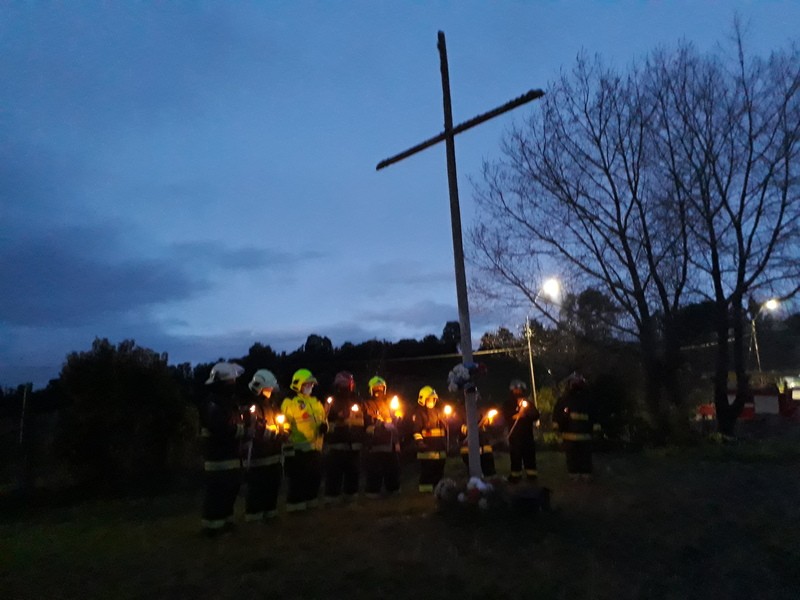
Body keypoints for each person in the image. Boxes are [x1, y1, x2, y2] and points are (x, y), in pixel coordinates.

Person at [198, 361, 246, 536]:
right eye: (231, 381)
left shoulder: (226, 403)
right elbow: (220, 429)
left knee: (229, 491)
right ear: (221, 383)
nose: (233, 384)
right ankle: (212, 528)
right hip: (217, 459)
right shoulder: (212, 404)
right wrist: (241, 430)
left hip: (230, 457)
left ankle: (225, 523)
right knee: (217, 494)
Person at [244, 369, 287, 521]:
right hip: (259, 457)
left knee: (272, 488)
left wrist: (285, 432)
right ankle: (254, 517)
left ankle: (270, 514)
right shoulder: (254, 408)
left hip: (274, 456)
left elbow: (281, 423)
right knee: (257, 489)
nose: (271, 390)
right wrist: (276, 435)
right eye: (269, 387)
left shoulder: (272, 406)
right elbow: (255, 430)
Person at [280, 368, 326, 511]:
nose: (310, 387)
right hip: (298, 449)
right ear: (298, 385)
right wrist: (286, 437)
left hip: (316, 448)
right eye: (307, 384)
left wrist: (325, 427)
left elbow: (323, 419)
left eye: (311, 384)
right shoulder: (290, 402)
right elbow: (285, 423)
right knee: (298, 480)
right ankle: (296, 508)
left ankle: (311, 505)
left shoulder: (316, 402)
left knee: (314, 478)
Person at [323, 371, 365, 503]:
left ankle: (349, 498)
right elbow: (324, 419)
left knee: (352, 473)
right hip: (337, 443)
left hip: (353, 444)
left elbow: (363, 420)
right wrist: (337, 417)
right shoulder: (331, 401)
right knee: (334, 474)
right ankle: (332, 499)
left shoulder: (357, 401)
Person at [362, 376, 401, 497]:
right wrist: (380, 422)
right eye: (376, 388)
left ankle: (393, 490)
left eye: (381, 388)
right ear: (371, 390)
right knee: (374, 469)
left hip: (389, 444)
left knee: (392, 468)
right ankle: (373, 492)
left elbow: (394, 424)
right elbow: (367, 420)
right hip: (374, 443)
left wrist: (396, 419)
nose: (378, 391)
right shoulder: (366, 404)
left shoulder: (387, 404)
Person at [553, 372, 596, 481]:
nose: (575, 384)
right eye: (574, 382)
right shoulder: (565, 400)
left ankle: (584, 473)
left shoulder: (587, 399)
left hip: (583, 434)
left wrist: (595, 428)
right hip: (572, 435)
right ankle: (575, 474)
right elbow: (557, 415)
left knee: (583, 456)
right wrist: (557, 427)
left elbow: (594, 414)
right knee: (573, 456)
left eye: (577, 382)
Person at [503, 379, 541, 483]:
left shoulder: (528, 403)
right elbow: (505, 416)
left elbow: (536, 415)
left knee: (529, 454)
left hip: (527, 434)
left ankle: (532, 475)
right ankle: (516, 476)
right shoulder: (508, 403)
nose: (518, 391)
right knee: (515, 455)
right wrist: (516, 416)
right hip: (514, 435)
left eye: (520, 389)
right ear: (512, 390)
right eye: (515, 389)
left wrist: (526, 414)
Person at [411, 386, 447, 493]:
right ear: (423, 399)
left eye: (433, 399)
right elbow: (416, 430)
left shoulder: (438, 412)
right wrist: (420, 442)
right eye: (429, 399)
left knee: (439, 470)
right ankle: (425, 491)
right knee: (427, 471)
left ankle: (438, 489)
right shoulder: (419, 413)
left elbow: (446, 429)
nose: (432, 401)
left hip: (440, 448)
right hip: (427, 449)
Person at [458, 401, 498, 476]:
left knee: (489, 469)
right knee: (474, 471)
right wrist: (471, 429)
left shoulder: (483, 416)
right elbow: (463, 430)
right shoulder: (462, 417)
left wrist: (487, 422)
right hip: (469, 449)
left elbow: (490, 428)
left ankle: (489, 479)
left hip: (485, 448)